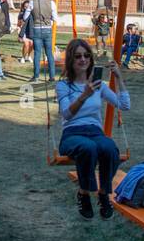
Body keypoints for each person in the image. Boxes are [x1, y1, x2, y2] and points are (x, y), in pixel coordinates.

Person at [55, 38, 130, 219]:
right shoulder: (63, 86)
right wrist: (83, 95)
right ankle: (84, 193)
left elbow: (124, 105)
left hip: (95, 132)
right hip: (72, 133)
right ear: (71, 60)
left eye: (86, 55)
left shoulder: (99, 86)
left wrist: (119, 77)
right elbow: (66, 114)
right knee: (88, 148)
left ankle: (104, 193)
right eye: (78, 56)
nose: (83, 59)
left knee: (109, 148)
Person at [27, 0, 57, 82]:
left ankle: (36, 76)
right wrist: (50, 22)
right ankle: (52, 76)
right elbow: (55, 18)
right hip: (47, 29)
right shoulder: (51, 3)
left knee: (37, 53)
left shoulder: (32, 3)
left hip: (36, 28)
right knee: (49, 54)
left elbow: (25, 16)